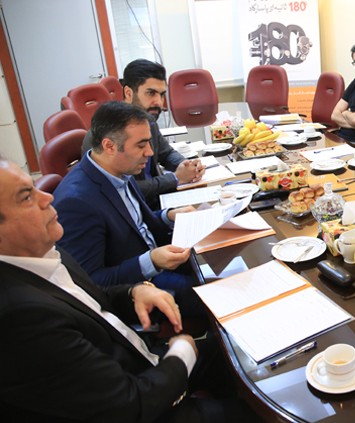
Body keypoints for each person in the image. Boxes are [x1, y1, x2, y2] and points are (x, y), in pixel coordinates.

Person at [0, 157, 251, 422]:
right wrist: (182, 351)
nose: (47, 198)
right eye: (26, 197)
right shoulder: (19, 318)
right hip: (145, 402)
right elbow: (130, 406)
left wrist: (133, 292)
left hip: (144, 363)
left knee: (240, 347)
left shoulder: (41, 252)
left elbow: (86, 300)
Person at [55, 102, 199, 314]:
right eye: (141, 145)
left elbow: (135, 224)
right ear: (109, 146)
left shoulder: (118, 169)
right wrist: (150, 261)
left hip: (156, 258)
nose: (149, 152)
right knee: (216, 290)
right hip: (136, 288)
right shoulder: (76, 203)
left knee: (221, 261)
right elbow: (90, 282)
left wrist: (167, 216)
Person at [81, 59, 205, 209]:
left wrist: (187, 165)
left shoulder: (147, 120)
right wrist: (175, 178)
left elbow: (166, 153)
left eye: (162, 95)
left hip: (160, 201)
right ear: (128, 93)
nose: (158, 102)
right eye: (151, 93)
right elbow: (125, 189)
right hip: (139, 211)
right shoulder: (106, 134)